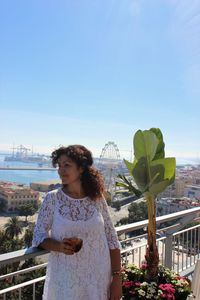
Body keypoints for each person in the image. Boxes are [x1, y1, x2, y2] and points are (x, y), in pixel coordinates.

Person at [32, 144, 122, 300]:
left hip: (99, 279)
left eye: (67, 165)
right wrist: (59, 247)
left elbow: (112, 238)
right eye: (59, 165)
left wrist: (117, 279)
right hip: (66, 282)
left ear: (81, 168)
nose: (61, 170)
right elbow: (39, 236)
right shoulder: (52, 199)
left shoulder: (97, 198)